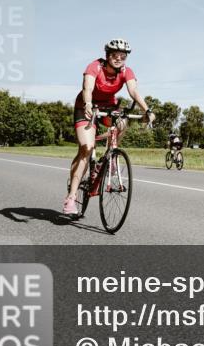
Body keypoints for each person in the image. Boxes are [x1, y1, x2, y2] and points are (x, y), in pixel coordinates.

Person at [64, 38, 156, 215]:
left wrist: (147, 110)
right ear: (107, 55)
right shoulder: (95, 67)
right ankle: (71, 197)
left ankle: (109, 157)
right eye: (115, 55)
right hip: (86, 107)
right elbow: (87, 88)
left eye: (123, 56)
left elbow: (134, 91)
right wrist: (89, 104)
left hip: (108, 107)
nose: (119, 59)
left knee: (123, 121)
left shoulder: (126, 71)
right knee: (87, 147)